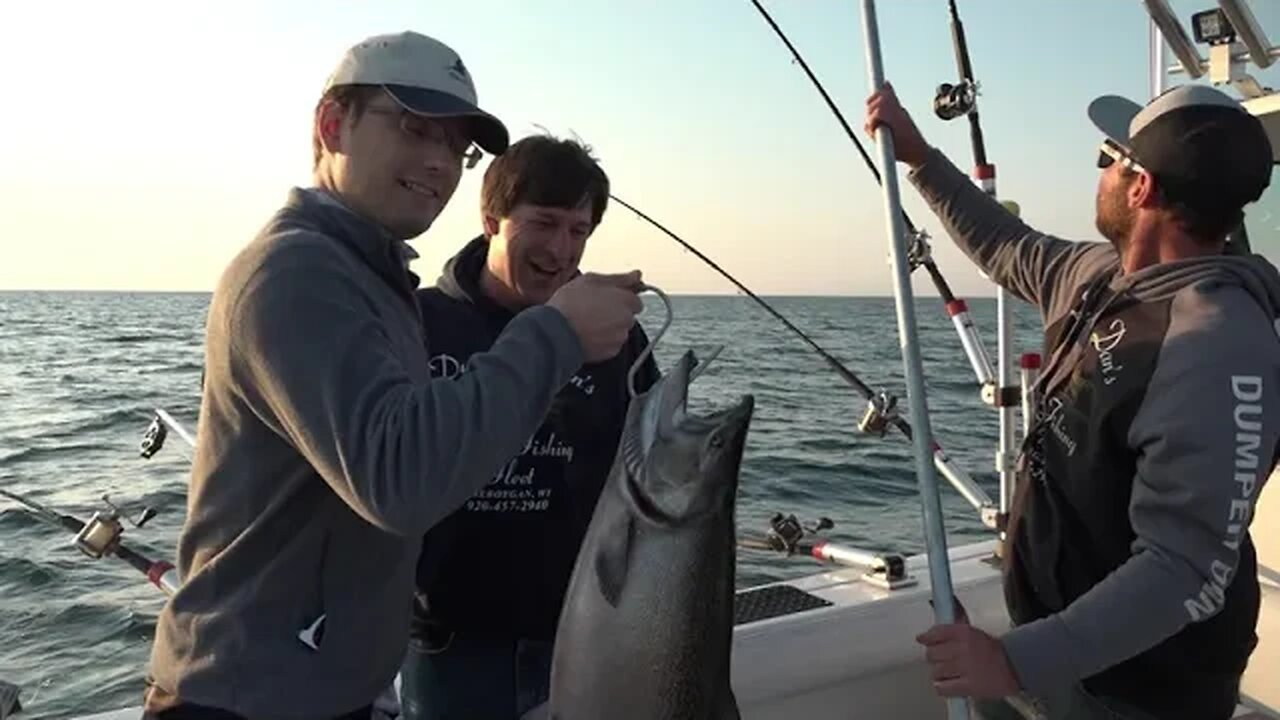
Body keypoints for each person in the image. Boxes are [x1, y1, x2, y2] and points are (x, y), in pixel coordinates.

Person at [141, 30, 648, 720]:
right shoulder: (295, 271)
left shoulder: (374, 282)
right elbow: (400, 479)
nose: (438, 161)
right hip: (248, 699)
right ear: (331, 125)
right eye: (415, 128)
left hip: (330, 690)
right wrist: (556, 334)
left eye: (455, 146)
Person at [866, 82, 1280, 719]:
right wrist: (920, 156)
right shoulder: (1099, 278)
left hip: (1142, 690)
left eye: (1109, 160)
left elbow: (1183, 569)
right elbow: (1007, 245)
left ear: (1140, 189)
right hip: (1061, 650)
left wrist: (1012, 661)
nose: (1103, 175)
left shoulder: (1217, 343)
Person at [396, 133, 661, 720]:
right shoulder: (419, 323)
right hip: (449, 643)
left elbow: (652, 467)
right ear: (491, 219)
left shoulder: (618, 334)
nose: (560, 250)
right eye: (542, 223)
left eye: (578, 230)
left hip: (584, 631)